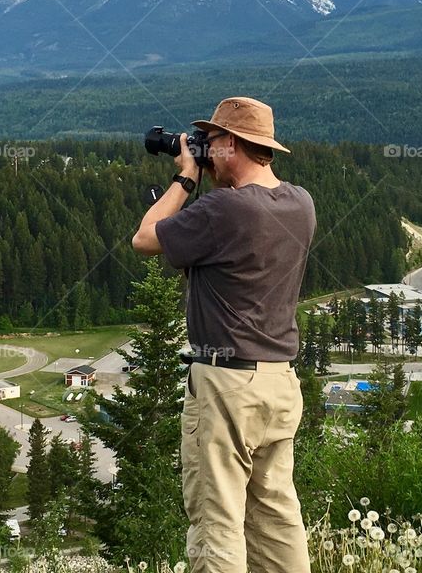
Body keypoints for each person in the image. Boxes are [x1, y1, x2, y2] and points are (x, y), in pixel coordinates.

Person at [132, 96, 316, 573]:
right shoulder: (300, 203)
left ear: (231, 143)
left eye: (209, 141)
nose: (203, 148)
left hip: (227, 385)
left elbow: (145, 239)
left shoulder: (225, 210)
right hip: (279, 383)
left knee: (218, 524)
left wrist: (184, 177)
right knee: (277, 516)